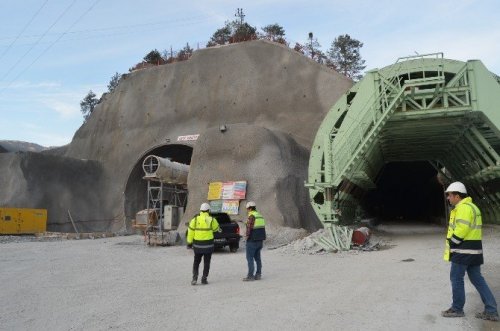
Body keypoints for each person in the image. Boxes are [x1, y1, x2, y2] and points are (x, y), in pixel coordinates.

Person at [441, 182, 499, 321]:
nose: (448, 198)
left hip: (463, 251)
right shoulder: (473, 207)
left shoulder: (463, 208)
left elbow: (461, 229)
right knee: (477, 279)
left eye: (449, 195)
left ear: (457, 196)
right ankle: (491, 310)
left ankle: (457, 308)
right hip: (474, 250)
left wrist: (452, 243)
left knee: (456, 278)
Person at [186, 202, 220, 285]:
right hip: (208, 245)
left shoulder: (195, 219)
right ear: (208, 210)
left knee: (196, 261)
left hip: (197, 245)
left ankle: (194, 278)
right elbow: (216, 229)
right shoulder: (212, 219)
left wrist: (189, 242)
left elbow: (190, 232)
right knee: (207, 262)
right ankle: (204, 279)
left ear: (201, 210)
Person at [243, 201, 266, 281]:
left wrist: (246, 237)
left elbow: (249, 228)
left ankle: (250, 276)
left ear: (249, 208)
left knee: (249, 258)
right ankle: (258, 274)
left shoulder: (252, 216)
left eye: (247, 209)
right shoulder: (260, 216)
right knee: (258, 258)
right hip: (260, 240)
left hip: (252, 240)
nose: (247, 210)